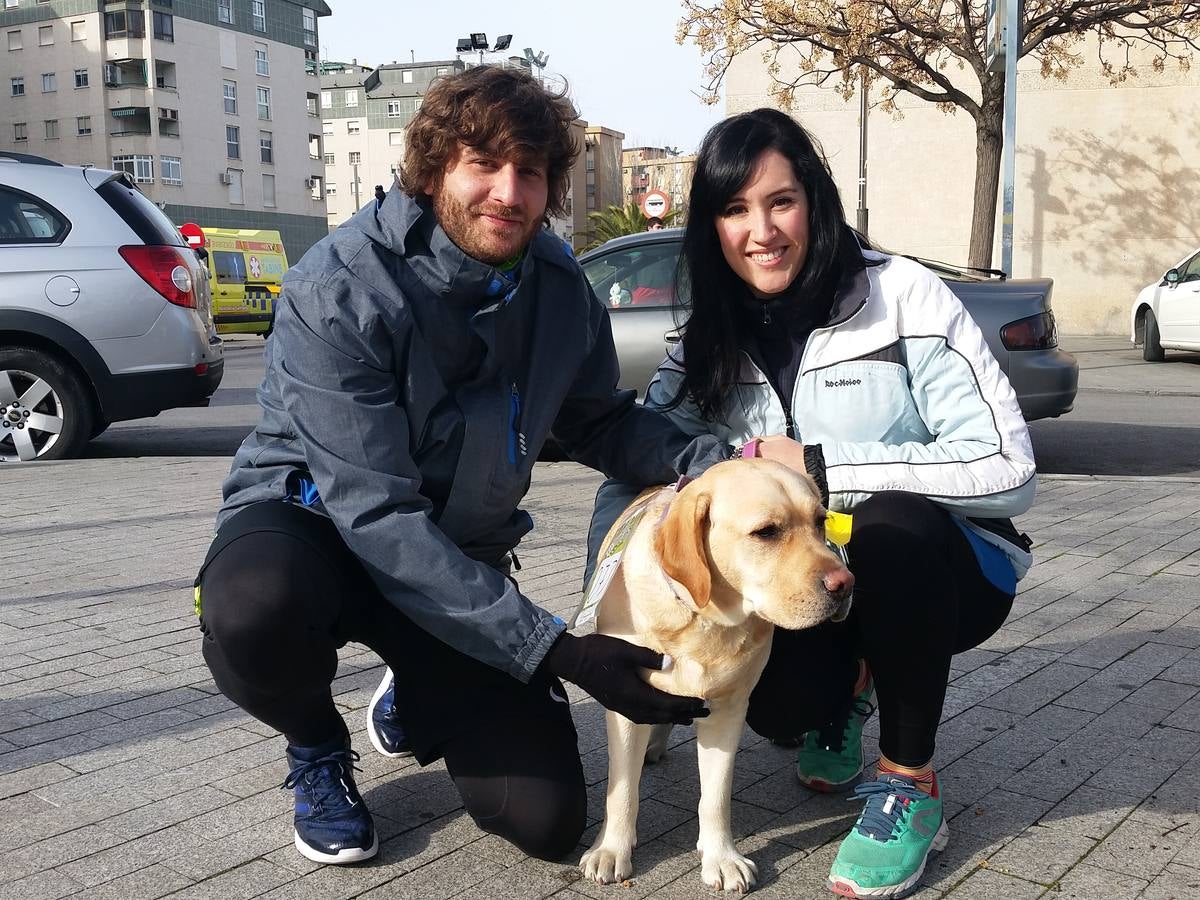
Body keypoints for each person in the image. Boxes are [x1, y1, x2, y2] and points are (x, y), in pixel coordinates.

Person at [194, 65, 725, 868]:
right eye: (484, 162)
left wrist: (723, 464)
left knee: (543, 821)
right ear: (435, 166)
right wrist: (563, 651)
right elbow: (375, 515)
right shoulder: (340, 287)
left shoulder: (557, 287)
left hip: (457, 560)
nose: (508, 193)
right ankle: (315, 745)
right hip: (315, 530)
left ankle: (416, 687)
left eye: (532, 172)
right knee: (250, 608)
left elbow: (601, 424)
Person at [587, 108, 1036, 899]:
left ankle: (908, 781)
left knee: (888, 526)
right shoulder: (708, 338)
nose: (760, 230)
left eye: (781, 201)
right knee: (777, 708)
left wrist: (824, 467)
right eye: (734, 209)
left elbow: (1009, 466)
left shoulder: (904, 298)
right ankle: (850, 687)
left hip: (947, 571)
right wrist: (609, 591)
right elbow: (643, 464)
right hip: (806, 577)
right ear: (712, 228)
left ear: (818, 202)